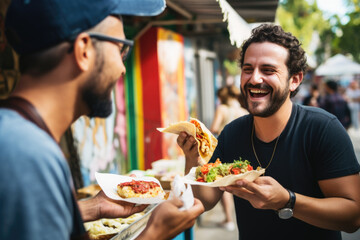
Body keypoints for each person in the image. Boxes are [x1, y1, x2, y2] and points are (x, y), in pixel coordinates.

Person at [0, 0, 204, 240]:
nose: (122, 69)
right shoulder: (28, 155)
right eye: (121, 49)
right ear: (84, 50)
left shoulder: (15, 137)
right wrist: (155, 234)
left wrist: (92, 207)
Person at [177, 23, 360, 240]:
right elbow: (206, 200)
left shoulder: (322, 129)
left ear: (295, 80)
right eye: (247, 69)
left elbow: (353, 217)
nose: (254, 78)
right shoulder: (232, 133)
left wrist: (287, 200)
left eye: (268, 70)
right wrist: (192, 158)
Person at [209, 85, 248, 231]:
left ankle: (228, 219)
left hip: (226, 150)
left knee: (224, 186)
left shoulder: (222, 109)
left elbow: (214, 128)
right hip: (242, 152)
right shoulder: (243, 110)